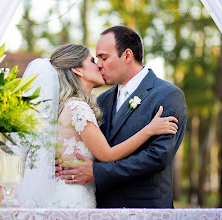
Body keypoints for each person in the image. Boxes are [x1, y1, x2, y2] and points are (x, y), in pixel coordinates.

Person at [59, 26, 187, 208]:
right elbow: (93, 147)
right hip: (102, 207)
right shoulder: (101, 100)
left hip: (145, 208)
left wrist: (98, 172)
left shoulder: (167, 95)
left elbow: (157, 157)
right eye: (96, 59)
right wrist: (65, 160)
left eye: (104, 58)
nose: (99, 65)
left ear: (127, 56)